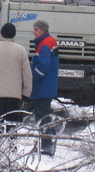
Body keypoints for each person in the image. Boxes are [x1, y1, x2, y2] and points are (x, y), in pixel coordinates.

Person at [0, 23, 33, 131]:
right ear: (14, 34)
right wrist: (26, 93)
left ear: (2, 33)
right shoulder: (21, 50)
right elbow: (27, 74)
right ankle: (11, 145)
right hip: (14, 95)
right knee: (12, 124)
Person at [30, 19, 59, 156]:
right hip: (47, 86)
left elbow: (43, 66)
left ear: (42, 30)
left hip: (42, 87)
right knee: (45, 115)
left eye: (35, 29)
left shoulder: (45, 44)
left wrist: (32, 78)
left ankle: (47, 145)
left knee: (42, 117)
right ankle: (49, 142)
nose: (33, 32)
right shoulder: (49, 41)